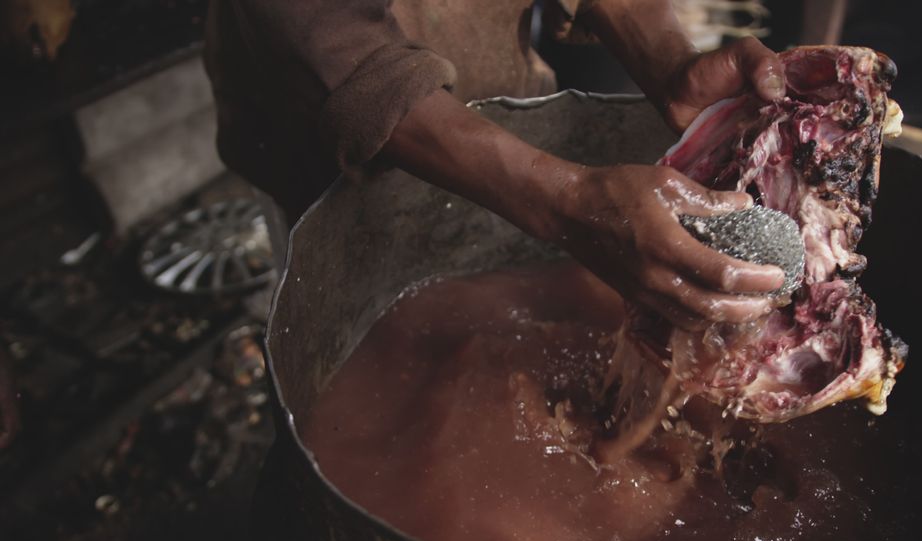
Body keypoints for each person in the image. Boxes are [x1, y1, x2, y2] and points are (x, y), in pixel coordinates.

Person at [204, 0, 788, 330]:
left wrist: (670, 63)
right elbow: (327, 49)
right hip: (326, 149)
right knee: (354, 319)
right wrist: (566, 201)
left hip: (501, 90)